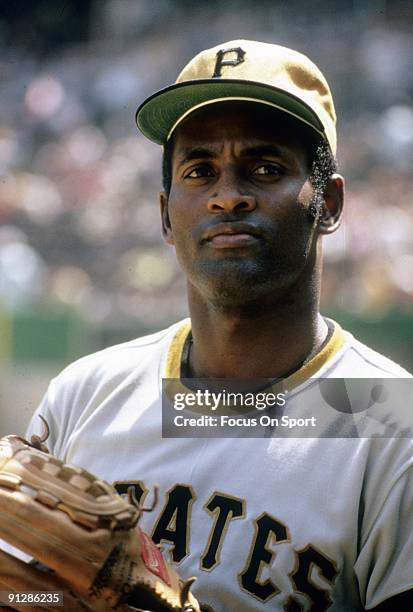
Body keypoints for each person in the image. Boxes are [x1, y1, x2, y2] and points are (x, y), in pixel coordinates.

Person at [21, 40, 413, 610]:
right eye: (200, 170)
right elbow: (30, 600)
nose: (228, 196)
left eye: (266, 167)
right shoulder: (84, 395)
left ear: (328, 203)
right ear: (164, 214)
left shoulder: (392, 427)